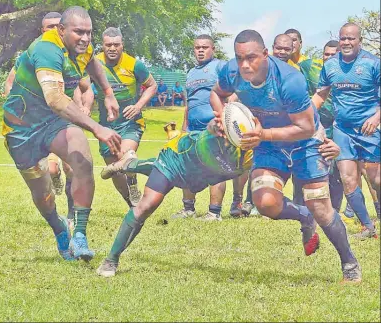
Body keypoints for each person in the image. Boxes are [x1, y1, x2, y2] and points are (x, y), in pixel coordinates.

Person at [95, 114, 341, 278]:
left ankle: (130, 163)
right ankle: (111, 260)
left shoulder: (259, 153)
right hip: (174, 160)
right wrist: (216, 126)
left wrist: (331, 147)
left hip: (196, 178)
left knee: (268, 197)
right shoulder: (220, 131)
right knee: (148, 204)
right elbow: (215, 125)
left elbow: (303, 137)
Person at [210, 29, 361, 283]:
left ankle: (349, 263)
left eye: (251, 58)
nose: (245, 65)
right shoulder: (231, 71)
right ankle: (304, 217)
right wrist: (224, 118)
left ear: (265, 55)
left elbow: (304, 127)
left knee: (322, 208)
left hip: (306, 144)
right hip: (268, 145)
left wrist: (263, 135)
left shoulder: (290, 80)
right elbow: (217, 93)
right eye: (239, 58)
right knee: (266, 203)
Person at [2, 6, 121, 262]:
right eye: (79, 32)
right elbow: (55, 98)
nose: (85, 38)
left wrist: (108, 93)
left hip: (52, 123)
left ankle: (79, 234)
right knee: (43, 195)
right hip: (20, 130)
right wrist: (98, 127)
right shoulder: (47, 49)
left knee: (82, 158)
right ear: (62, 30)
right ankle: (59, 229)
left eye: (89, 33)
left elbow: (92, 63)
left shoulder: (83, 48)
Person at [3, 12, 94, 228]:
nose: (54, 29)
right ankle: (55, 198)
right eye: (49, 26)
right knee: (50, 174)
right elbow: (11, 83)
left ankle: (73, 214)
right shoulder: (37, 53)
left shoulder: (72, 55)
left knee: (74, 166)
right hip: (32, 125)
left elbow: (84, 86)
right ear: (44, 30)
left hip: (61, 120)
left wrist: (85, 106)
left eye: (57, 25)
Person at [312, 22, 380, 239]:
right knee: (347, 178)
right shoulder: (330, 65)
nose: (347, 42)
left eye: (351, 38)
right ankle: (367, 227)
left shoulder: (373, 63)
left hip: (370, 129)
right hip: (342, 130)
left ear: (359, 40)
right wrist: (303, 115)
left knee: (376, 179)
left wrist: (376, 118)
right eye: (343, 38)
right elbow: (320, 95)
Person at [173, 34, 251, 221]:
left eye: (205, 47)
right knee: (188, 167)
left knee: (216, 168)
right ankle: (188, 209)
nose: (200, 50)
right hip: (192, 129)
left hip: (215, 127)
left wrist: (226, 113)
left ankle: (214, 212)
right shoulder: (191, 72)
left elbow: (239, 86)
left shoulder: (220, 66)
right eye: (197, 47)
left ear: (213, 49)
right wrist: (184, 129)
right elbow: (188, 104)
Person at [97, 27, 157, 207]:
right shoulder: (94, 63)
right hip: (106, 125)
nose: (112, 48)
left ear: (122, 45)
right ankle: (131, 204)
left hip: (131, 122)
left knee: (126, 154)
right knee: (114, 170)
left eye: (116, 45)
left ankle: (133, 182)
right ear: (103, 46)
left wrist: (138, 105)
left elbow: (152, 86)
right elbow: (84, 87)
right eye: (108, 45)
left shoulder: (134, 64)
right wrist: (84, 106)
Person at [292, 40, 344, 213]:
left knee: (336, 171)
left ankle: (335, 209)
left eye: (333, 54)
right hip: (314, 126)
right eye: (326, 54)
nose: (329, 58)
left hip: (339, 126)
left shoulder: (346, 71)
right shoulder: (310, 67)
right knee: (308, 165)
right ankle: (301, 207)